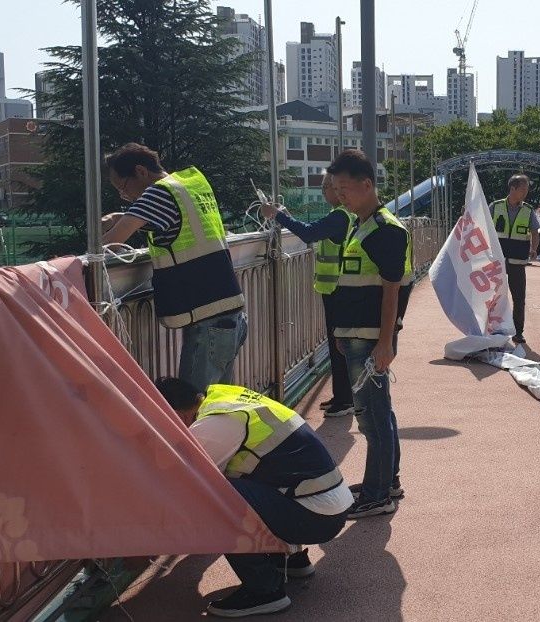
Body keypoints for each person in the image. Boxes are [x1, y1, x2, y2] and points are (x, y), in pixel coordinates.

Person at [156, 378, 351, 617]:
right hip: (325, 508)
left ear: (177, 415)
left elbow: (189, 490)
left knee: (215, 496)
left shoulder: (212, 426)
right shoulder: (228, 400)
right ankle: (290, 560)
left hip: (314, 517)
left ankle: (265, 591)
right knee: (248, 480)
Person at [101, 143, 247, 391]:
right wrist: (122, 216)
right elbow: (172, 226)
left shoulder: (159, 194)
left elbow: (109, 244)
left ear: (141, 171)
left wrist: (73, 260)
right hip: (228, 314)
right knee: (217, 406)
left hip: (207, 322)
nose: (125, 197)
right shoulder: (187, 186)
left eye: (123, 188)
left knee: (192, 409)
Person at [328, 149, 412, 518]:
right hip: (358, 335)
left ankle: (378, 493)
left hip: (368, 339)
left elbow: (392, 287)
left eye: (344, 189)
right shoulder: (362, 223)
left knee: (372, 418)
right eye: (336, 189)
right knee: (380, 414)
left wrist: (384, 342)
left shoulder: (384, 229)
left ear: (367, 185)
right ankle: (386, 480)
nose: (339, 195)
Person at [261, 174, 357, 418]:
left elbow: (309, 233)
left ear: (339, 189)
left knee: (339, 346)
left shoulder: (339, 216)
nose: (325, 192)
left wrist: (279, 215)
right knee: (339, 344)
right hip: (339, 288)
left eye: (328, 187)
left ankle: (346, 400)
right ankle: (343, 396)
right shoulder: (348, 214)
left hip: (338, 289)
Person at [490, 174, 540, 344]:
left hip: (518, 261)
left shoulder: (528, 210)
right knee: (492, 296)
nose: (526, 192)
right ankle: (491, 329)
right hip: (496, 261)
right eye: (523, 188)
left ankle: (518, 332)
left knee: (519, 298)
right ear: (513, 189)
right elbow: (482, 225)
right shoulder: (495, 207)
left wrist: (533, 248)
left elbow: (535, 231)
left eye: (527, 189)